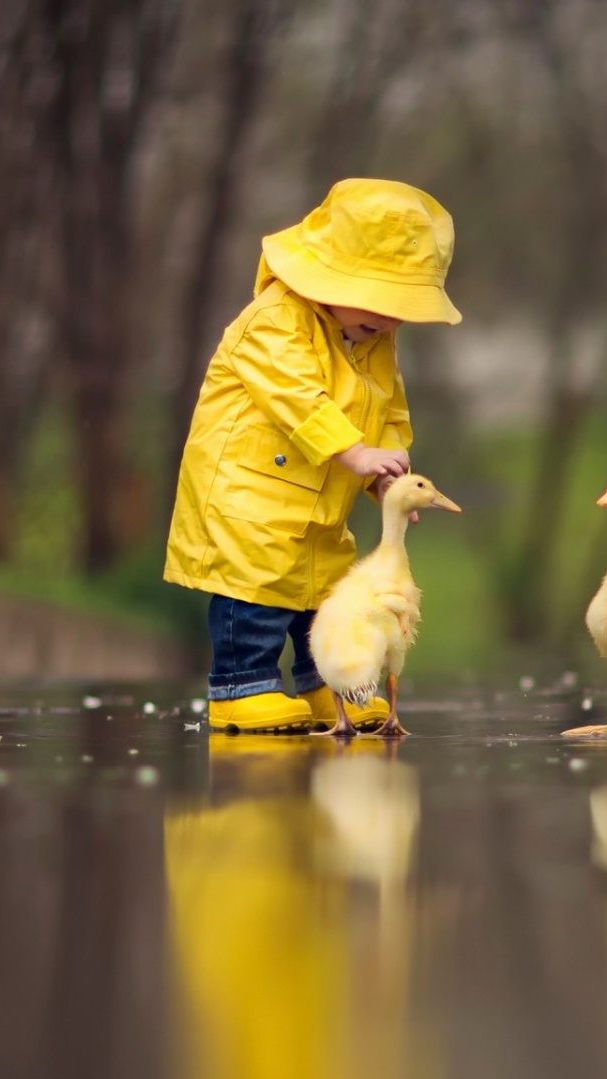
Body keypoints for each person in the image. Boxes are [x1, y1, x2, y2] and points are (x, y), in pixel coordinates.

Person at [164, 178, 461, 732]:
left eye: (402, 309)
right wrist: (352, 450)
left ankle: (333, 687)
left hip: (322, 501)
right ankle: (240, 687)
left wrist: (385, 473)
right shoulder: (273, 320)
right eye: (380, 302)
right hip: (249, 496)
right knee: (254, 591)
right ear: (327, 275)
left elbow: (391, 410)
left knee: (328, 598)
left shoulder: (371, 340)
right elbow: (297, 395)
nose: (390, 321)